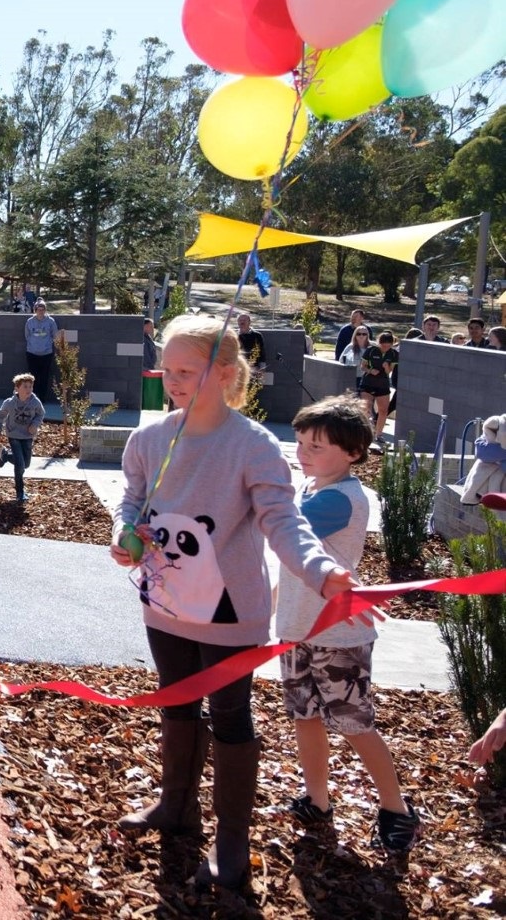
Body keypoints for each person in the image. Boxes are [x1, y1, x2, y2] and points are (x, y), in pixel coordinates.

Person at [111, 314, 358, 890]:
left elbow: (284, 521)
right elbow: (132, 500)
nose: (173, 382)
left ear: (224, 374)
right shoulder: (149, 438)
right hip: (166, 603)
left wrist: (321, 570)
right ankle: (176, 807)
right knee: (176, 703)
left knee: (229, 716)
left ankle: (231, 844)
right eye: (167, 370)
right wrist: (125, 534)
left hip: (230, 615)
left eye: (187, 372)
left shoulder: (252, 445)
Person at [278, 396, 420, 852]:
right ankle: (318, 800)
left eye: (316, 446)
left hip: (338, 635)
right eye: (300, 442)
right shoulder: (312, 488)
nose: (303, 453)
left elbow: (283, 529)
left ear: (353, 453)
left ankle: (397, 809)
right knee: (305, 716)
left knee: (354, 723)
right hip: (297, 628)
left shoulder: (341, 499)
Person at [0, 372, 44, 503]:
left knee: (26, 464)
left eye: (30, 387)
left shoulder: (35, 402)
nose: (28, 390)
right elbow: (0, 416)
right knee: (20, 465)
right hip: (13, 434)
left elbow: (41, 414)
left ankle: (6, 455)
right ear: (17, 388)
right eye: (25, 387)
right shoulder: (9, 403)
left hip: (28, 436)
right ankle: (20, 492)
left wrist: (35, 424)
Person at [359, 332, 395, 448]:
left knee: (383, 410)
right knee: (366, 408)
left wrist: (386, 367)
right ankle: (364, 433)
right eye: (383, 345)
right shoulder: (371, 350)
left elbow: (389, 372)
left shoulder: (393, 354)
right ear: (379, 343)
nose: (385, 348)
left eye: (388, 345)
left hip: (383, 384)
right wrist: (370, 370)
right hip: (368, 383)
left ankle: (379, 434)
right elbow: (362, 366)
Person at [23, 299, 59, 403]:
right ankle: (32, 397)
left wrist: (46, 345)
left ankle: (42, 399)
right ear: (35, 310)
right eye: (39, 309)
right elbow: (27, 336)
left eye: (43, 309)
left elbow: (55, 335)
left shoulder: (50, 321)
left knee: (44, 377)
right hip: (32, 353)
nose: (41, 311)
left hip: (46, 354)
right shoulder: (29, 321)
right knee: (32, 377)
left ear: (45, 310)